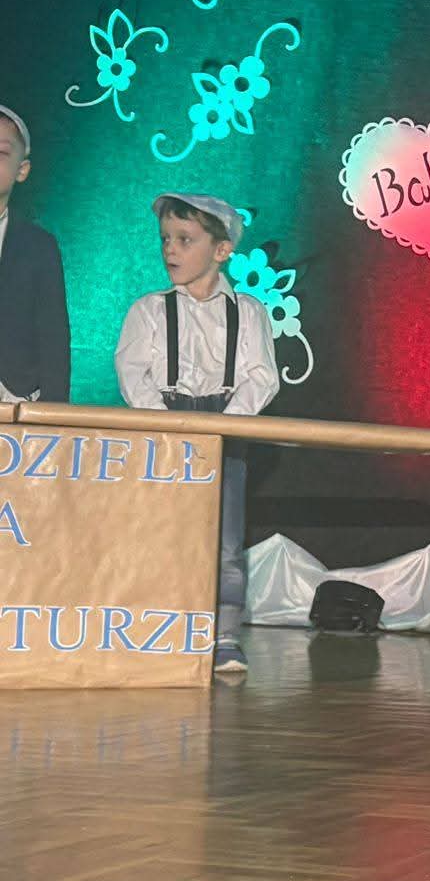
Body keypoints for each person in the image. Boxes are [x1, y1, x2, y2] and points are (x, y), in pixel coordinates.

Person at [115, 194, 280, 677]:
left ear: (221, 251)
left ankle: (224, 634)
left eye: (185, 240)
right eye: (166, 239)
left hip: (225, 424)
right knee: (161, 529)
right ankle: (158, 625)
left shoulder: (248, 312)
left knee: (225, 539)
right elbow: (132, 370)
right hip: (166, 425)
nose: (171, 249)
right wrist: (162, 421)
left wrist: (228, 422)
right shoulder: (149, 310)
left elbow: (262, 376)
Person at [0, 105, 70, 405]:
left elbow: (53, 333)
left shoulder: (39, 246)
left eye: (1, 153)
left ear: (22, 170)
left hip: (15, 398)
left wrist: (53, 411)